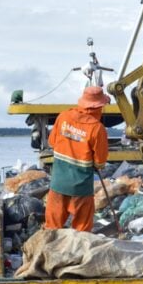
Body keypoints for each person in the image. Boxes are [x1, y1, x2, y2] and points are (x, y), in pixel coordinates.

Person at [44, 86, 110, 231]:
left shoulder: (63, 117)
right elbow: (100, 162)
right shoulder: (97, 129)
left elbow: (52, 142)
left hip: (58, 184)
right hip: (81, 188)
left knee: (52, 228)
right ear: (99, 106)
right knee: (82, 230)